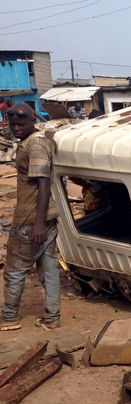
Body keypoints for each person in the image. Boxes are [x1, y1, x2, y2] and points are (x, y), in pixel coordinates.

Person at [1, 104, 60, 331]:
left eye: (20, 124)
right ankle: (52, 318)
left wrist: (37, 223)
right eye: (12, 123)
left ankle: (10, 317)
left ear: (30, 121)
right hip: (46, 217)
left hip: (31, 218)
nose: (15, 128)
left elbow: (43, 184)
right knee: (48, 267)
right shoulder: (36, 141)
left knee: (15, 269)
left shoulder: (35, 145)